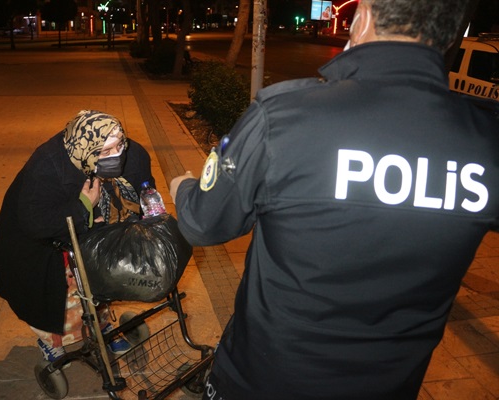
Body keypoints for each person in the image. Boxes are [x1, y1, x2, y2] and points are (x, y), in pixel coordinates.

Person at [169, 1, 499, 399]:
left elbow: (203, 224)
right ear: (450, 36)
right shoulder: (485, 144)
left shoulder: (285, 117)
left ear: (363, 19)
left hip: (264, 380)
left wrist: (182, 187)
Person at [0, 110, 155, 362]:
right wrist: (83, 207)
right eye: (106, 152)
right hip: (39, 243)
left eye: (120, 145)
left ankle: (100, 327)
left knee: (98, 281)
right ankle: (50, 340)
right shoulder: (48, 165)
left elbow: (145, 191)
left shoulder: (133, 155)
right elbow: (35, 222)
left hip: (92, 234)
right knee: (59, 297)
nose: (117, 155)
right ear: (85, 151)